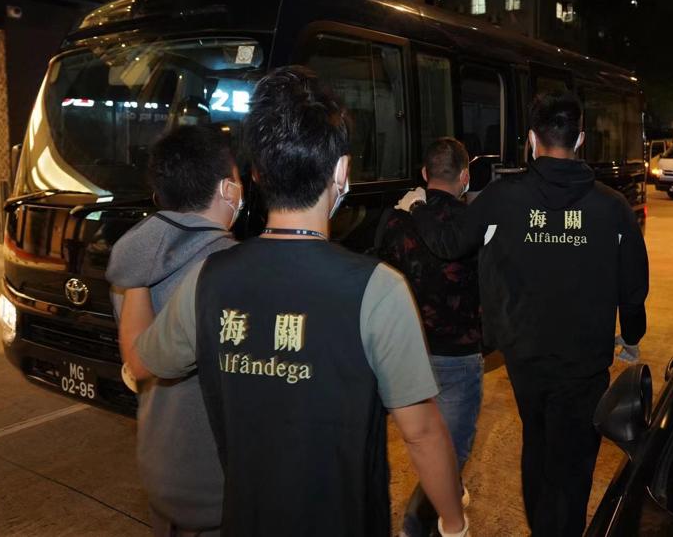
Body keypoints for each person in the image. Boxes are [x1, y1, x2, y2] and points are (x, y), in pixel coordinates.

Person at [127, 66, 469, 537]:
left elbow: (143, 363)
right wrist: (454, 522)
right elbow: (422, 432)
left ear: (257, 174)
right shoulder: (377, 289)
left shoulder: (206, 280)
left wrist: (134, 278)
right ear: (342, 171)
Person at [398, 89, 649, 537]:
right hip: (585, 361)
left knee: (538, 440)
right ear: (581, 139)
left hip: (524, 355)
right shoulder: (611, 207)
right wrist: (631, 335)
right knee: (574, 455)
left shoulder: (503, 198)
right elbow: (633, 286)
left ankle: (542, 526)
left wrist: (417, 207)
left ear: (532, 140)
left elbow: (450, 242)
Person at [106, 124, 243, 537]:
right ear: (227, 189)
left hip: (161, 464)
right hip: (219, 479)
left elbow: (136, 358)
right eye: (237, 180)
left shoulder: (130, 263)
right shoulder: (233, 270)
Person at [375, 137, 482, 537]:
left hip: (406, 353)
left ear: (424, 174)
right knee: (447, 454)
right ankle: (416, 526)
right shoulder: (473, 223)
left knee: (420, 443)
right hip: (459, 356)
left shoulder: (397, 219)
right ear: (465, 176)